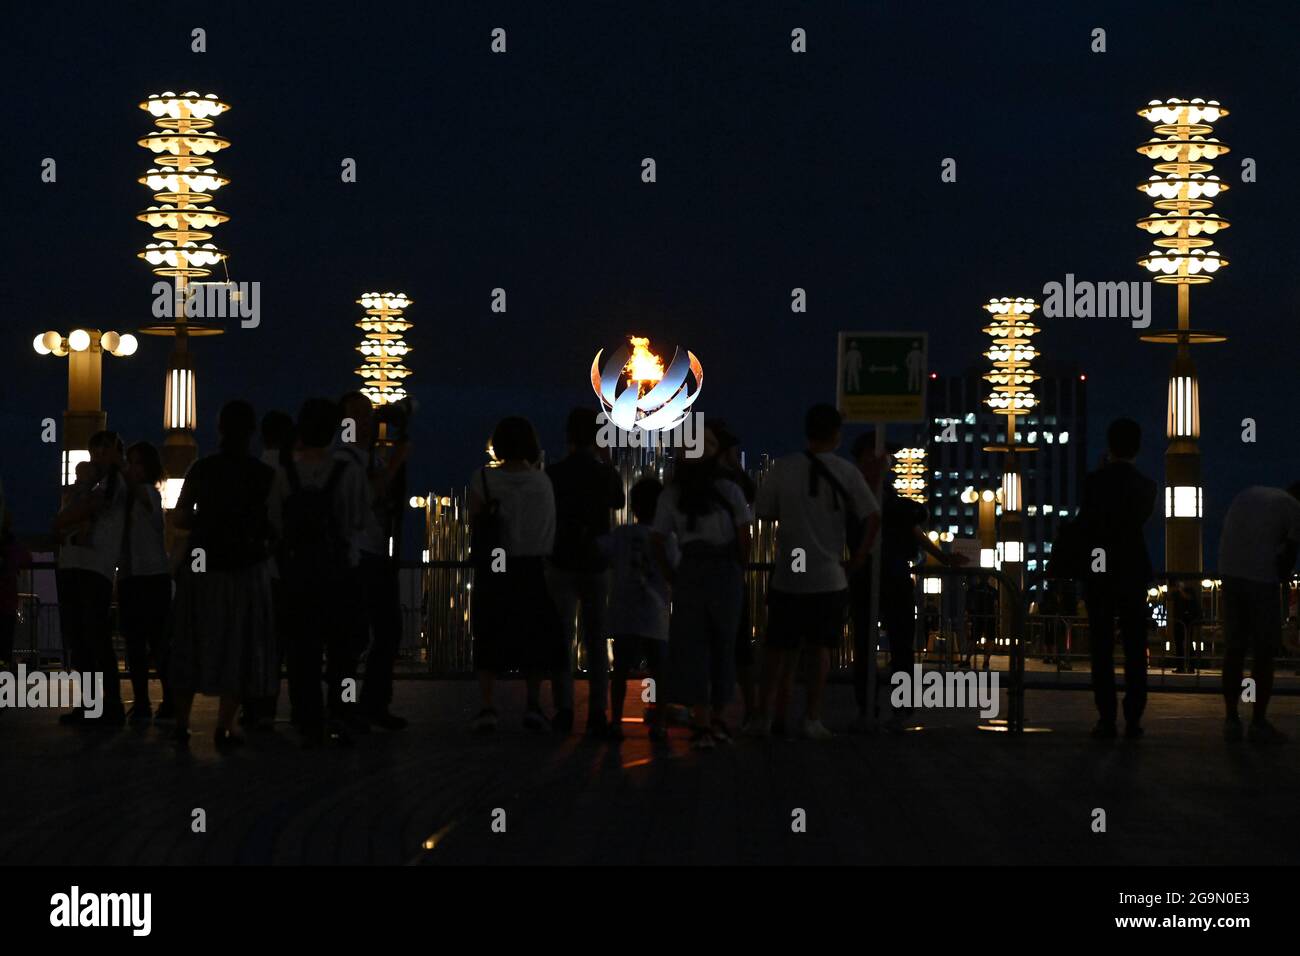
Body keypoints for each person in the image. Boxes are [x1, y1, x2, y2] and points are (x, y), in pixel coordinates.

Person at [750, 405, 879, 740]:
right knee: (821, 649)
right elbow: (872, 514)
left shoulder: (783, 468)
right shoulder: (847, 472)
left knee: (777, 648)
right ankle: (812, 718)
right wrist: (859, 557)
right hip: (829, 571)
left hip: (792, 565)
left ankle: (764, 715)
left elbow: (763, 511)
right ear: (836, 435)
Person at [170, 401, 277, 752]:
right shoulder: (262, 474)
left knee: (192, 639)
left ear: (219, 428)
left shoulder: (203, 468)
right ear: (253, 432)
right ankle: (225, 724)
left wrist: (206, 521)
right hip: (245, 566)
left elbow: (180, 517)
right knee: (238, 644)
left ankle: (182, 722)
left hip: (202, 565)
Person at [269, 398, 371, 747]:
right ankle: (341, 712)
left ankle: (307, 718)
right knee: (343, 654)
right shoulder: (348, 471)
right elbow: (358, 520)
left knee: (302, 652)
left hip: (298, 575)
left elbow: (276, 526)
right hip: (341, 573)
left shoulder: (285, 472)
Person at [850, 434, 965, 732]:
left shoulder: (885, 493)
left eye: (887, 457)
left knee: (899, 645)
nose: (885, 462)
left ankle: (898, 706)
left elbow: (912, 529)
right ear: (863, 458)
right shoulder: (854, 493)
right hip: (868, 574)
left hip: (891, 572)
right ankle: (869, 705)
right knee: (866, 645)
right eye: (880, 456)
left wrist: (942, 556)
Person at [652, 425, 752, 749]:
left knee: (691, 646)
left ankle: (701, 720)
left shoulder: (671, 494)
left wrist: (671, 574)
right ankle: (721, 719)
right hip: (724, 570)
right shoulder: (729, 490)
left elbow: (658, 538)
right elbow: (743, 536)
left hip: (690, 570)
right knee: (724, 643)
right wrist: (740, 568)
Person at [468, 417, 564, 732]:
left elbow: (477, 525)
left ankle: (487, 705)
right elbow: (550, 529)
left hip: (495, 567)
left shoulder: (482, 478)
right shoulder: (543, 481)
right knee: (535, 635)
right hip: (533, 566)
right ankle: (533, 704)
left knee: (488, 633)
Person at [546, 407, 625, 736]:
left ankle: (564, 710)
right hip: (595, 562)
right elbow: (619, 501)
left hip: (561, 560)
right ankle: (597, 712)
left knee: (562, 638)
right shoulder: (603, 472)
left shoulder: (554, 473)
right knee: (596, 639)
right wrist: (606, 463)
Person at [1077, 418, 1157, 740]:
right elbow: (1135, 520)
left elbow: (1087, 521)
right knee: (1136, 648)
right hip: (1133, 570)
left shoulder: (1094, 482)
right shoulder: (1147, 486)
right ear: (1137, 447)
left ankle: (1106, 717)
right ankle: (1134, 716)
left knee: (1102, 647)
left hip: (1099, 571)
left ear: (1109, 445)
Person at [337, 391, 410, 731]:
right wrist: (397, 459)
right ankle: (350, 706)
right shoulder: (342, 458)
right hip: (354, 554)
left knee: (386, 631)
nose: (366, 422)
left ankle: (372, 703)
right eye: (357, 416)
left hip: (377, 552)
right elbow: (374, 492)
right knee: (354, 636)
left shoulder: (369, 459)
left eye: (369, 415)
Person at [52, 431, 128, 727]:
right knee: (80, 638)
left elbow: (69, 517)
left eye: (104, 450)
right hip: (75, 563)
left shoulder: (113, 484)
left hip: (93, 566)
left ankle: (107, 705)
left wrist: (66, 515)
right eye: (94, 451)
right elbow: (63, 521)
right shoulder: (94, 485)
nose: (98, 456)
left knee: (94, 637)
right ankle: (92, 704)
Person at [1217, 482, 1300, 743]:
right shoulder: (1295, 509)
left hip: (1229, 572)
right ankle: (1258, 722)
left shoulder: (1251, 494)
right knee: (1264, 652)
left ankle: (1231, 720)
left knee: (1234, 648)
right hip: (1261, 579)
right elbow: (1287, 561)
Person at [600, 477, 677, 741]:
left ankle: (616, 721)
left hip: (624, 611)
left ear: (633, 507)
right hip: (655, 614)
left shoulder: (621, 534)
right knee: (659, 670)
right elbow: (675, 570)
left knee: (620, 669)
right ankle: (660, 723)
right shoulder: (667, 538)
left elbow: (600, 552)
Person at [241, 409, 296, 730]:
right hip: (285, 568)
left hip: (251, 566)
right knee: (281, 643)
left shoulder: (253, 470)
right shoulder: (292, 472)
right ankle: (271, 705)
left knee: (253, 643)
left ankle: (251, 706)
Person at [117, 441, 174, 722]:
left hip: (148, 578)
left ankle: (153, 702)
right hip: (137, 577)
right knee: (141, 644)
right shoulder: (135, 497)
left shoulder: (149, 493)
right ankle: (150, 701)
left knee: (152, 642)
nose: (131, 468)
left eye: (136, 463)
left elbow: (142, 497)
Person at [712, 421, 760, 727]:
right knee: (739, 644)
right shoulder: (732, 483)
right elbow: (752, 497)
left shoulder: (690, 479)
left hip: (699, 570)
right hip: (728, 569)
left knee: (704, 642)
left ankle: (706, 710)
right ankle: (750, 709)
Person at [0, 510, 31, 669]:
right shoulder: (14, 546)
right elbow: (26, 558)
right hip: (7, 604)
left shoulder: (12, 547)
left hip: (7, 603)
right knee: (5, 647)